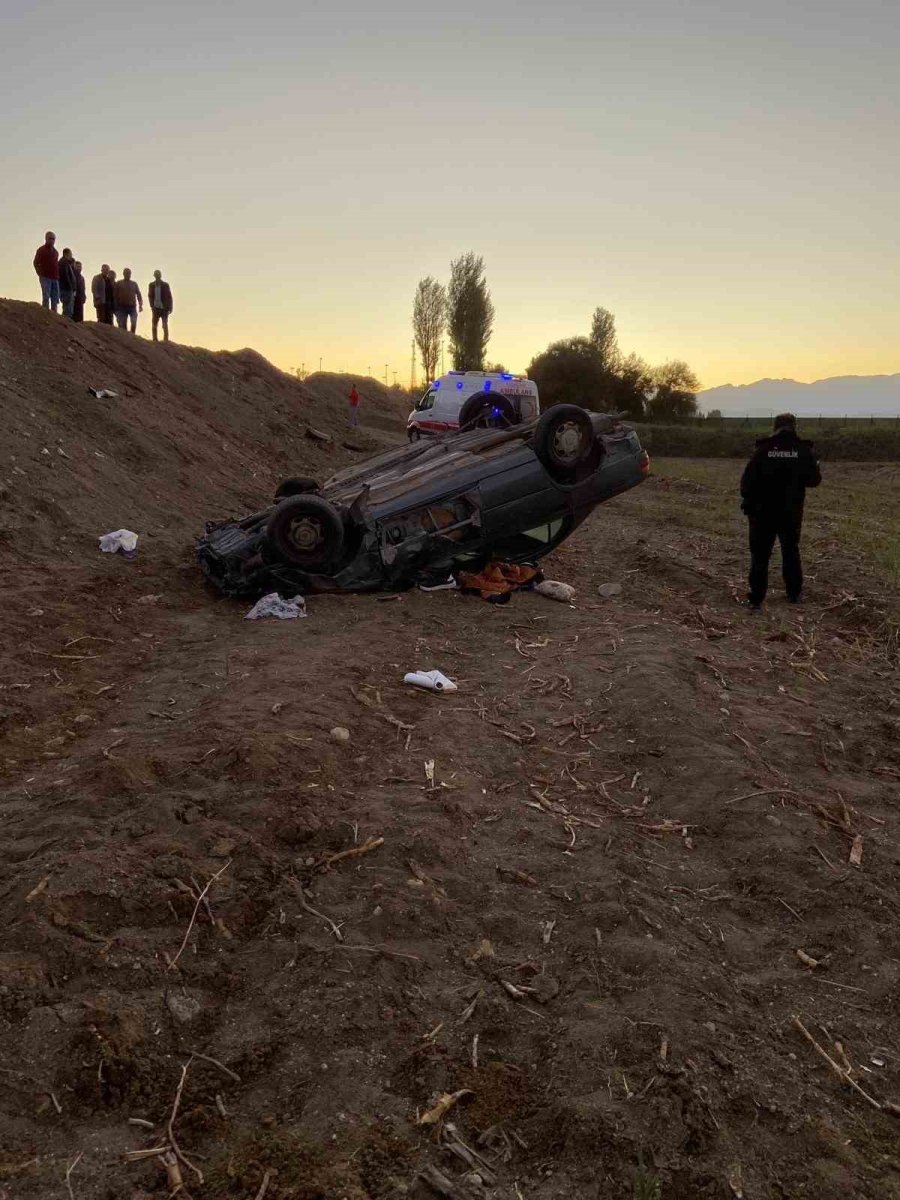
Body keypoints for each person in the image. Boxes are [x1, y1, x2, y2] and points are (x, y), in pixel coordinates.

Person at [740, 413, 821, 610]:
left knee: (760, 555)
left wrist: (749, 503)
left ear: (775, 427)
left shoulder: (763, 449)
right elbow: (814, 480)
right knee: (791, 551)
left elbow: (747, 482)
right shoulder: (803, 450)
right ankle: (794, 594)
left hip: (762, 512)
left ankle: (756, 598)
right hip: (790, 512)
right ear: (794, 427)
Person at [33, 231, 60, 311]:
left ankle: (54, 315)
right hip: (45, 277)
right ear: (46, 239)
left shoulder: (55, 252)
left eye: (53, 239)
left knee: (55, 297)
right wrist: (40, 273)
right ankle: (46, 313)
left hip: (55, 278)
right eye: (50, 238)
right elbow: (35, 263)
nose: (52, 241)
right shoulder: (41, 250)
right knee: (46, 296)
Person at [114, 268, 143, 333]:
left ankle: (132, 335)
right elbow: (115, 295)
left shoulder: (134, 284)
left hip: (132, 307)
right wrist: (116, 306)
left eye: (129, 273)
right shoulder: (119, 283)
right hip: (122, 307)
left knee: (134, 322)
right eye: (126, 273)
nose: (128, 275)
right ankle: (125, 338)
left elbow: (138, 294)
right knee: (123, 325)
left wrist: (140, 305)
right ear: (123, 274)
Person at [147, 270, 173, 342]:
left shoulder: (165, 285)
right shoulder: (151, 285)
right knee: (154, 324)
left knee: (164, 324)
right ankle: (155, 339)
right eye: (156, 275)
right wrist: (151, 305)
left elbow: (169, 296)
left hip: (164, 308)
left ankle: (166, 340)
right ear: (154, 276)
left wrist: (170, 307)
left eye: (158, 274)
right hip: (155, 308)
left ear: (160, 275)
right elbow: (150, 295)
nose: (157, 276)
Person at [58, 248, 77, 319]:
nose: (71, 256)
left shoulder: (64, 262)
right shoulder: (64, 262)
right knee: (68, 309)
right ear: (67, 254)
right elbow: (65, 276)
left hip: (66, 288)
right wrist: (71, 287)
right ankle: (66, 322)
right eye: (71, 254)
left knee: (68, 308)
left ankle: (66, 322)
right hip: (66, 289)